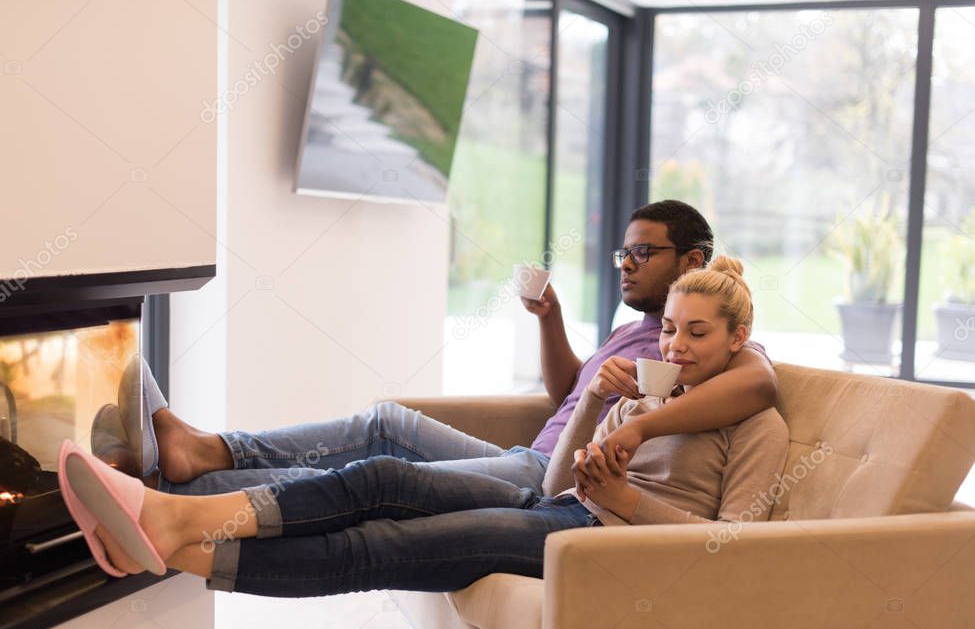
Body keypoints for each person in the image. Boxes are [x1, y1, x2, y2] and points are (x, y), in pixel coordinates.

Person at [59, 256, 790, 597]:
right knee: (380, 475)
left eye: (696, 333)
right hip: (556, 504)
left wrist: (628, 504)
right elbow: (557, 479)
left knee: (382, 543)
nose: (675, 347)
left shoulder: (755, 423)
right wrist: (598, 406)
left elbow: (735, 547)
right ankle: (170, 520)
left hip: (601, 545)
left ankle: (173, 535)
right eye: (668, 330)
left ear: (738, 336)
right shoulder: (651, 393)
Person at [149, 201, 778, 498]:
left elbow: (759, 384)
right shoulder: (636, 330)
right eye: (623, 252)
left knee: (376, 477)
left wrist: (637, 432)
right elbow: (566, 397)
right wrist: (549, 317)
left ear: (691, 260)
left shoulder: (708, 347)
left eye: (644, 252)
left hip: (545, 474)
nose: (626, 265)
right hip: (529, 453)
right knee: (387, 421)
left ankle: (191, 488)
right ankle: (210, 457)